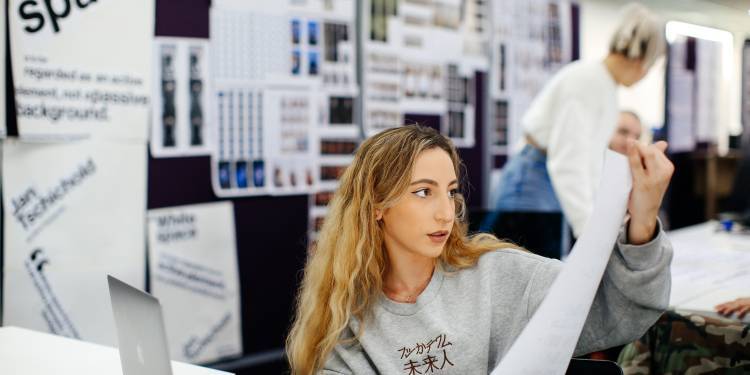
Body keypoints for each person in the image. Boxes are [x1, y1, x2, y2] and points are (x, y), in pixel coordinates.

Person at [286, 125, 675, 374]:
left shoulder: (499, 275)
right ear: (377, 208)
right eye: (423, 192)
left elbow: (621, 308)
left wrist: (642, 220)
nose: (446, 212)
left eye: (451, 192)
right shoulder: (346, 320)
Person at [485, 3, 665, 259]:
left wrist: (595, 221)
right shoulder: (587, 81)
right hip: (532, 181)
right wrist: (590, 232)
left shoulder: (605, 86)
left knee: (539, 273)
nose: (644, 76)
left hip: (542, 179)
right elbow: (567, 162)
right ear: (641, 59)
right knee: (528, 277)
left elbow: (586, 161)